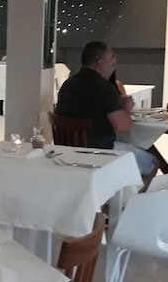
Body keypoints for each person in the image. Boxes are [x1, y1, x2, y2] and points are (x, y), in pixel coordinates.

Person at [55, 41, 158, 180]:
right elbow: (123, 126)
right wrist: (126, 108)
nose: (113, 64)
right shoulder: (104, 88)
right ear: (100, 62)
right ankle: (125, 194)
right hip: (100, 153)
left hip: (67, 152)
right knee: (152, 163)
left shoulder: (68, 85)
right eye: (111, 61)